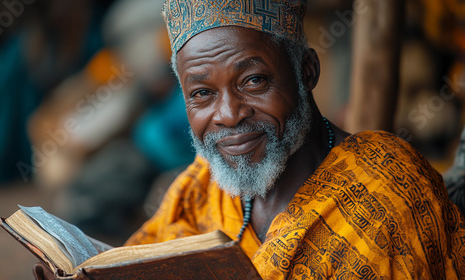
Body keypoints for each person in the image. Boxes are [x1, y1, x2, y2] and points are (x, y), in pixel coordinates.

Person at [34, 0, 465, 279]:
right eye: (202, 93)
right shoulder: (204, 188)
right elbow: (144, 261)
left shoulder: (387, 192)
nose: (228, 114)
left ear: (307, 72)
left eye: (254, 81)